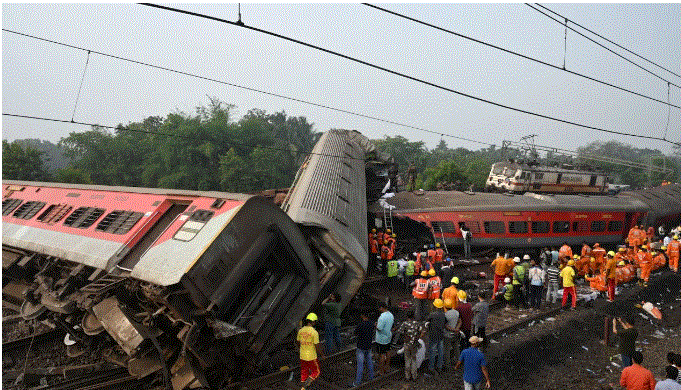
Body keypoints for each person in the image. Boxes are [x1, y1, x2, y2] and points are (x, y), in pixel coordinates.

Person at [395, 311, 424, 381]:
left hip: (407, 344)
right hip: (414, 344)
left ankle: (407, 376)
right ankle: (414, 376)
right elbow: (421, 331)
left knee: (407, 360)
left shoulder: (405, 323)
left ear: (407, 316)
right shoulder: (417, 323)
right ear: (413, 316)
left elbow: (399, 332)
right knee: (413, 359)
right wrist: (416, 337)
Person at [297, 313, 322, 389]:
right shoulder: (314, 332)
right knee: (316, 372)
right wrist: (322, 354)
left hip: (302, 355)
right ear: (314, 322)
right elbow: (317, 345)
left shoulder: (301, 331)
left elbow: (298, 342)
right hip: (311, 356)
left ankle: (303, 388)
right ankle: (309, 380)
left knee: (304, 371)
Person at [353, 312, 374, 386]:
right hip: (368, 346)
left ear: (363, 316)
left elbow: (355, 333)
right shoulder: (372, 324)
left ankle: (357, 382)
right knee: (370, 362)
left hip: (361, 347)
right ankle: (371, 378)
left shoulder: (360, 325)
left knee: (360, 365)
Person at [427, 298, 446, 373]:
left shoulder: (432, 314)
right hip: (440, 335)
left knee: (432, 352)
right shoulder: (443, 315)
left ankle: (431, 367)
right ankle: (439, 366)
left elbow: (427, 320)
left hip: (433, 335)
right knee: (440, 351)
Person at [375, 302, 394, 375]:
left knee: (382, 354)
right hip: (388, 336)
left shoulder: (382, 317)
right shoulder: (390, 315)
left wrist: (376, 325)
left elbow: (379, 328)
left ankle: (381, 371)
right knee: (388, 351)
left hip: (381, 339)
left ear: (382, 308)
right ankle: (387, 367)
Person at [443, 298, 461, 371]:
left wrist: (453, 330)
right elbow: (460, 321)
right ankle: (458, 361)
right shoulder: (456, 312)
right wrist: (457, 329)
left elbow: (446, 326)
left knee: (447, 350)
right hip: (455, 334)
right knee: (456, 348)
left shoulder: (446, 315)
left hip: (447, 335)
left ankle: (447, 365)